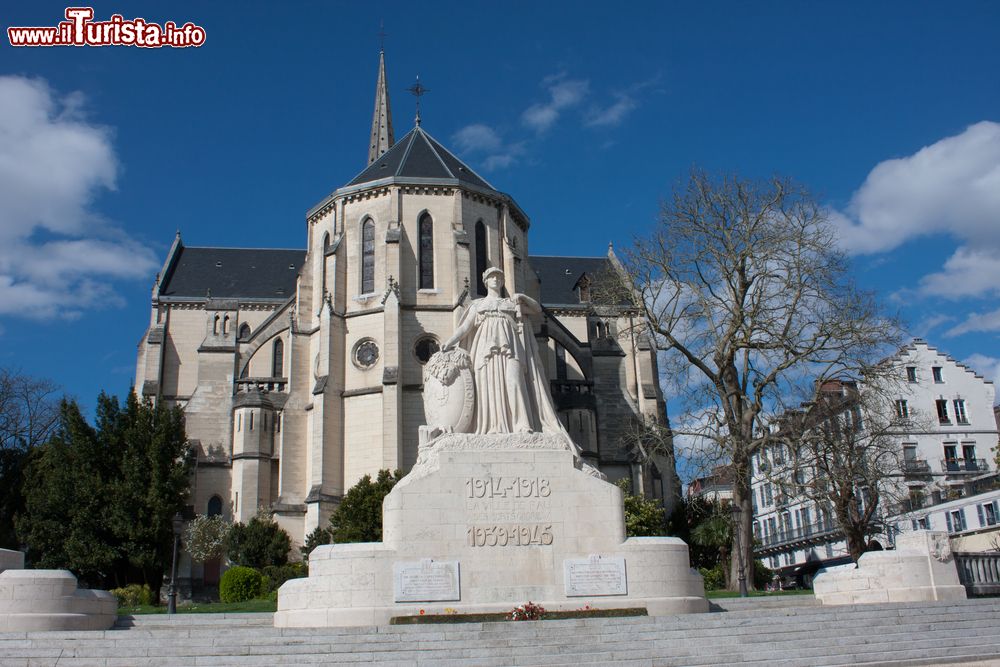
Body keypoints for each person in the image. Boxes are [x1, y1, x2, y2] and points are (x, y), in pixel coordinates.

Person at [441, 267, 564, 435]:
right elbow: (464, 327)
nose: (496, 280)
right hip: (485, 350)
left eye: (499, 277)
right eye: (492, 277)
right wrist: (449, 342)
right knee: (487, 385)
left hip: (511, 349)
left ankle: (522, 425)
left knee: (514, 381)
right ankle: (491, 427)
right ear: (485, 281)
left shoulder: (510, 303)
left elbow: (537, 310)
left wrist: (522, 297)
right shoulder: (478, 305)